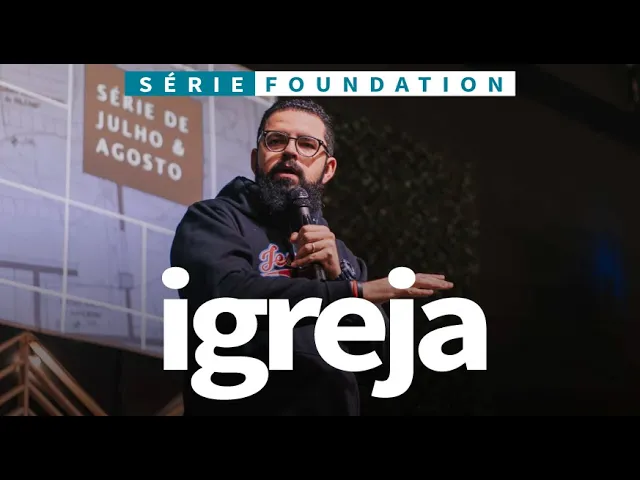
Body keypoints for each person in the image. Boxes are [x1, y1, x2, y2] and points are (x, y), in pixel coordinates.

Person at [170, 98, 454, 416]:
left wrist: (339, 277)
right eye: (276, 140)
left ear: (328, 169)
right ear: (255, 158)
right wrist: (353, 292)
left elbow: (382, 361)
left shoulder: (341, 256)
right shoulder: (215, 219)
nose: (290, 152)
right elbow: (224, 299)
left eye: (307, 144)